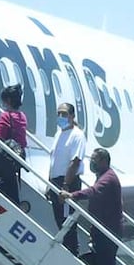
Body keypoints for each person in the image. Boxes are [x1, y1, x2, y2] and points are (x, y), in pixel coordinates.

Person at [60, 148, 122, 265]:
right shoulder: (102, 176)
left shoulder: (108, 178)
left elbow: (94, 191)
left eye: (94, 160)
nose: (91, 163)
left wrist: (72, 195)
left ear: (104, 161)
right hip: (101, 230)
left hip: (107, 231)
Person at [47, 102, 87, 255]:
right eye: (59, 114)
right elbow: (54, 160)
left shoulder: (77, 135)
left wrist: (65, 186)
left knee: (67, 222)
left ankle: (72, 252)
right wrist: (48, 184)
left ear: (72, 116)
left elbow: (75, 162)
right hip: (55, 182)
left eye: (64, 114)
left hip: (68, 183)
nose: (61, 117)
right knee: (59, 220)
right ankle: (67, 250)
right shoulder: (59, 133)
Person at [0, 84, 28, 204]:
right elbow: (23, 142)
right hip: (13, 165)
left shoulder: (6, 116)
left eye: (4, 101)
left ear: (8, 101)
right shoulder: (22, 117)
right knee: (12, 198)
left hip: (1, 166)